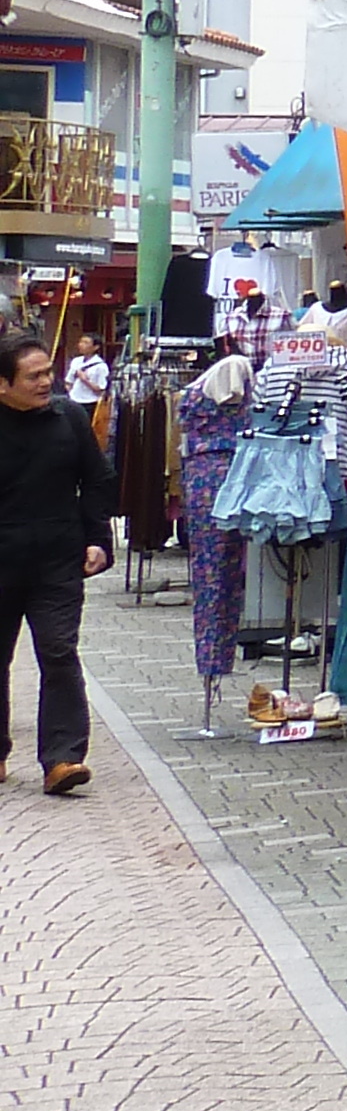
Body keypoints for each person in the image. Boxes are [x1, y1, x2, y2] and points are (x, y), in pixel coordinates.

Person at [0, 327, 117, 795]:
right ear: (3, 384)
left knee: (59, 652)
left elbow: (98, 479)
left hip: (58, 560)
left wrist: (97, 538)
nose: (47, 381)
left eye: (49, 371)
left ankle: (63, 758)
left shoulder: (68, 418)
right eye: (34, 376)